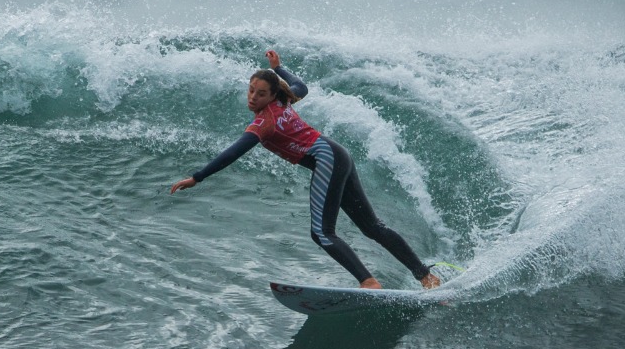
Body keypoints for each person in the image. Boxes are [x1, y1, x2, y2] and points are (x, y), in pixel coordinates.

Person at [170, 50, 441, 290]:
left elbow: (233, 152)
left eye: (260, 93)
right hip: (338, 154)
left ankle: (369, 282)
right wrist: (279, 68)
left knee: (322, 233)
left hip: (326, 158)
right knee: (372, 227)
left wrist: (197, 177)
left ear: (272, 95)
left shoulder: (265, 122)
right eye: (251, 90)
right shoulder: (283, 101)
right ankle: (426, 277)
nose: (253, 97)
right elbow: (301, 86)